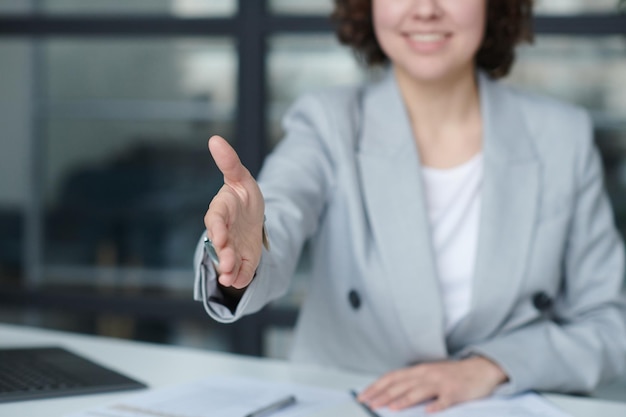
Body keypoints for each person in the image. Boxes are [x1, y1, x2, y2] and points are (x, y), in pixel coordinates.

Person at [194, 0, 626, 412]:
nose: (425, 8)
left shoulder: (561, 137)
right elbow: (278, 219)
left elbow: (609, 323)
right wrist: (242, 256)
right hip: (351, 403)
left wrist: (492, 367)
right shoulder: (328, 121)